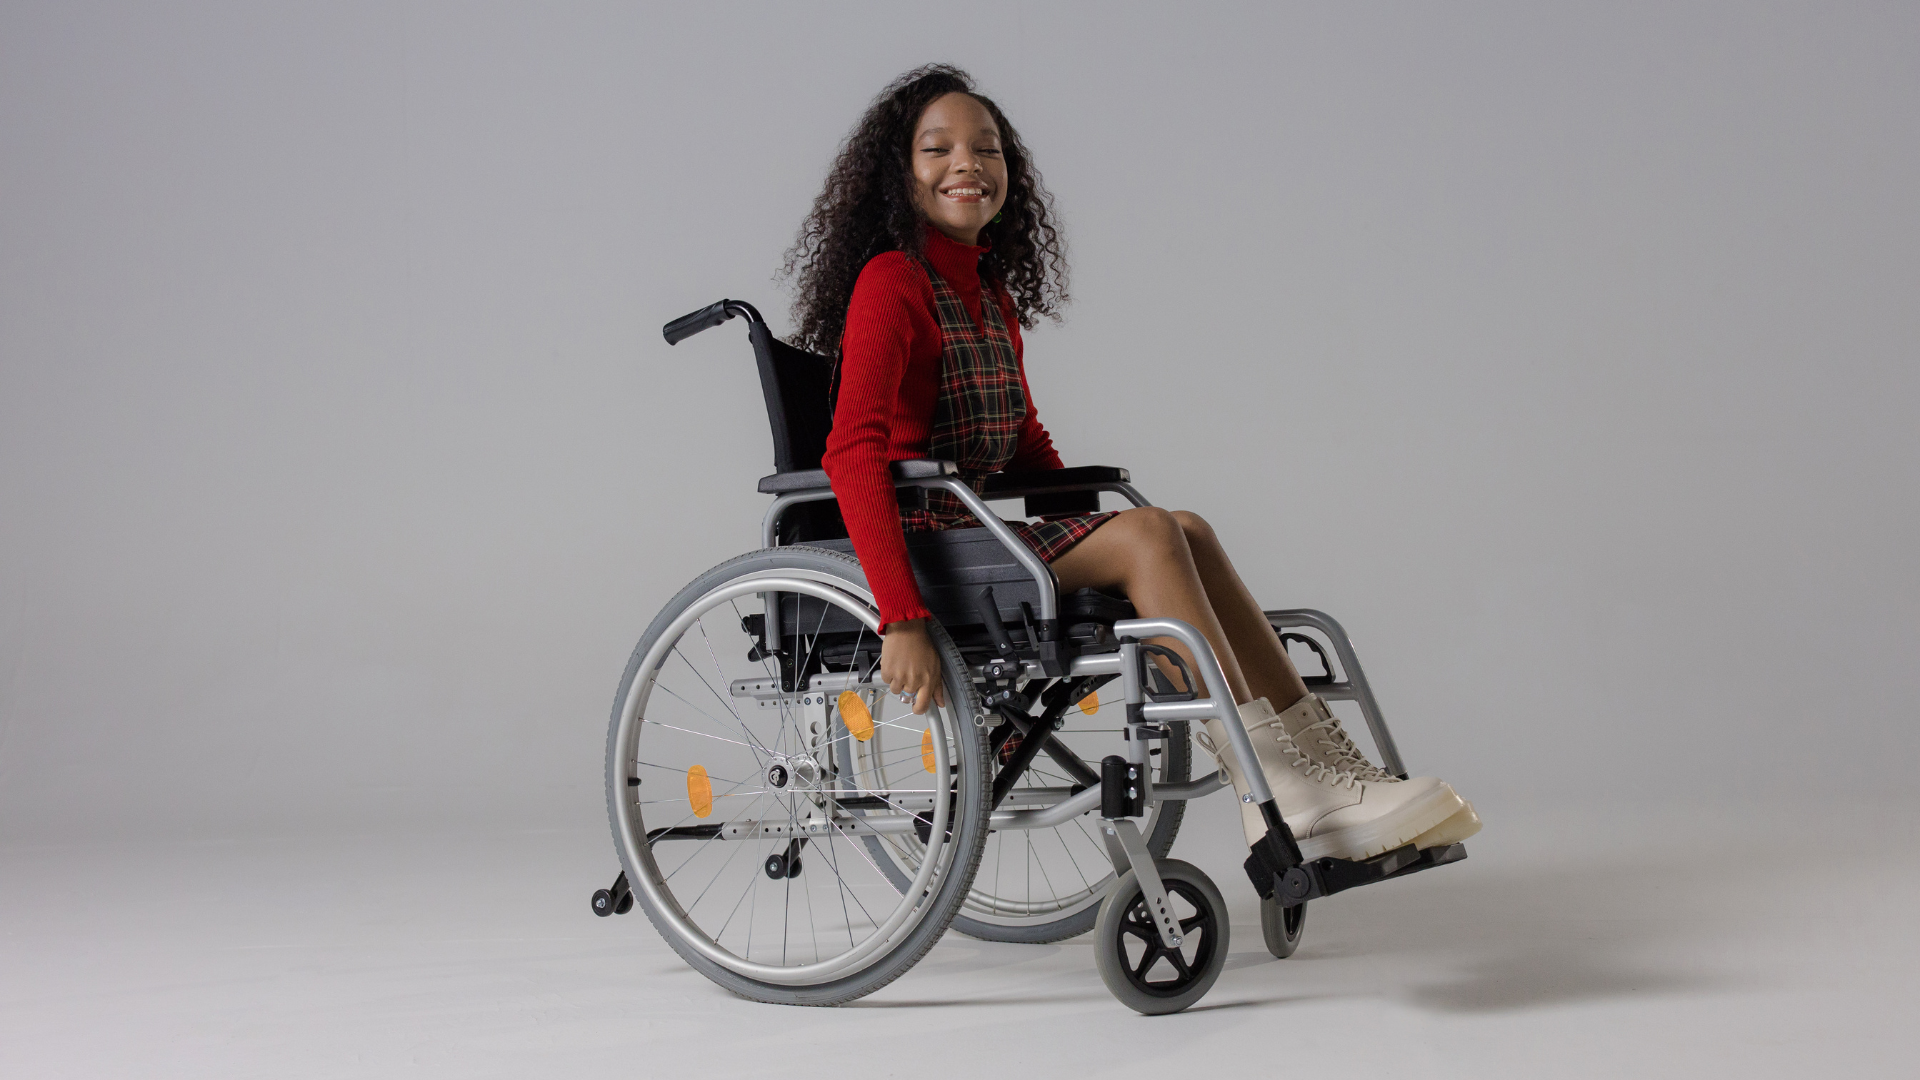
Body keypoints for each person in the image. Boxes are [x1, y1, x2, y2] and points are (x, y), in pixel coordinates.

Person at [783, 65, 1479, 861]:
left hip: (971, 536)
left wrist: (1089, 528)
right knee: (1150, 534)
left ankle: (1330, 772)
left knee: (1186, 529)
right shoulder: (891, 283)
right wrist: (899, 616)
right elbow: (852, 453)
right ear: (897, 175)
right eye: (937, 149)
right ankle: (1279, 794)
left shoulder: (987, 293)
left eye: (988, 149)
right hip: (920, 550)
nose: (967, 164)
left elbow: (1024, 442)